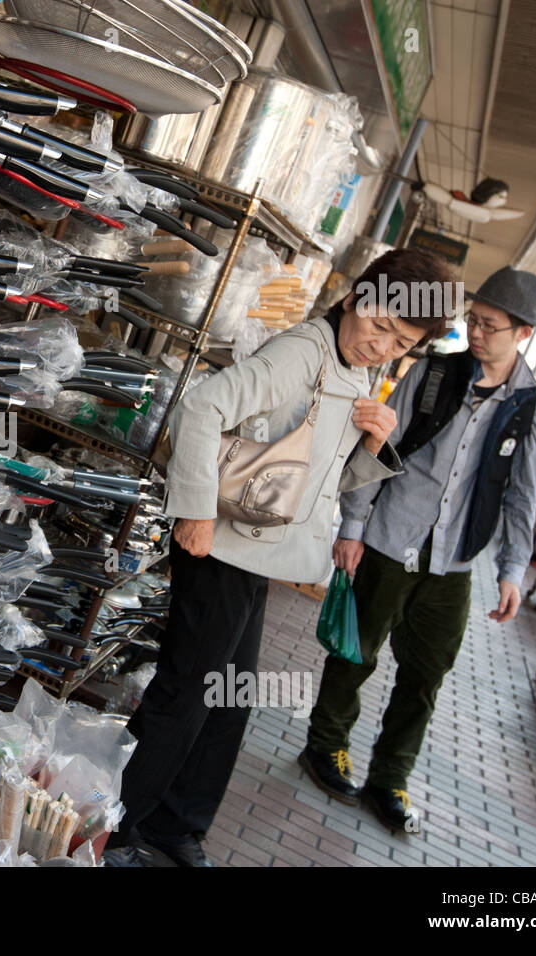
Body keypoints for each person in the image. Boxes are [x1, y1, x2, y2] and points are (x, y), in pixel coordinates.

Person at [105, 249, 456, 867]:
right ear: (354, 299)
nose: (382, 346)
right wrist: (194, 511)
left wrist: (373, 444)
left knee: (228, 695)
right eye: (379, 326)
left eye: (400, 341)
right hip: (222, 546)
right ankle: (111, 832)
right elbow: (202, 406)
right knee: (185, 695)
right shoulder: (303, 352)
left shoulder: (356, 367)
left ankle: (177, 826)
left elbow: (313, 476)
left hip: (258, 551)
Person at [301, 266, 536, 832]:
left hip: (454, 565)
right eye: (473, 320)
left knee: (425, 677)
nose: (476, 333)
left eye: (489, 325)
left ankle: (390, 779)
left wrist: (512, 571)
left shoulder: (532, 405)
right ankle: (324, 748)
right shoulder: (434, 373)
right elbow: (379, 445)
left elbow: (523, 494)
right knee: (353, 653)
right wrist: (353, 527)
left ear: (523, 333)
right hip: (390, 541)